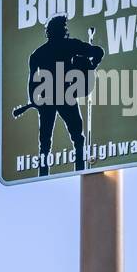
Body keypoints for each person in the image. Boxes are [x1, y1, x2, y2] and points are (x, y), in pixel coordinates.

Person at [26, 16, 104, 175]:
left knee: (46, 142)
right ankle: (79, 170)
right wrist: (91, 65)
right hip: (64, 96)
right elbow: (98, 51)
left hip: (48, 98)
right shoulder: (69, 45)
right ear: (61, 30)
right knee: (76, 138)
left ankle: (44, 174)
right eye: (64, 28)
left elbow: (32, 82)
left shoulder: (38, 54)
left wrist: (35, 100)